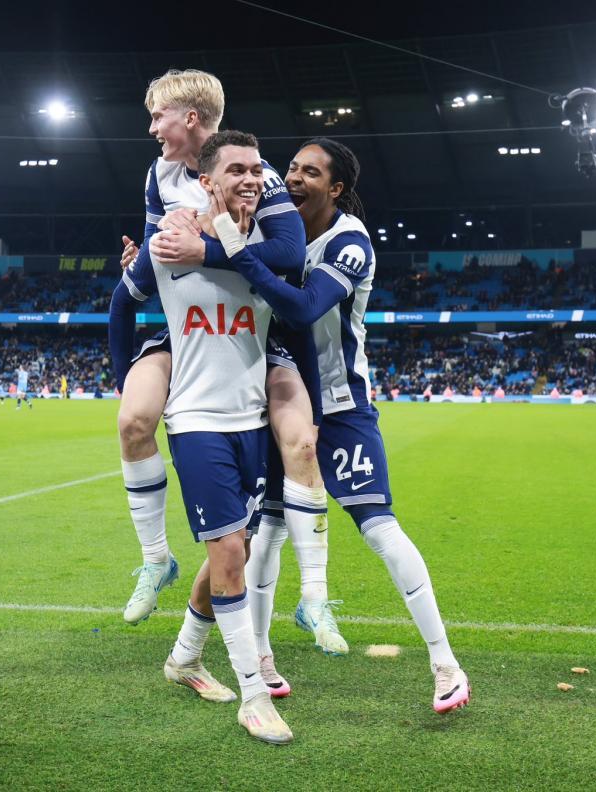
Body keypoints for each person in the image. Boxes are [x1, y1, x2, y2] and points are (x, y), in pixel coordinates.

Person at [196, 137, 471, 714]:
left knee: (378, 527)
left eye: (310, 173)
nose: (292, 179)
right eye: (291, 167)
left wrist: (225, 247)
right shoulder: (274, 232)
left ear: (336, 188)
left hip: (341, 404)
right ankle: (264, 660)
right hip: (281, 402)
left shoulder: (349, 240)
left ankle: (445, 662)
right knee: (264, 531)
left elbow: (301, 308)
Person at [113, 70, 343, 686]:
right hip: (189, 335)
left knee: (264, 499)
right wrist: (151, 260)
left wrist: (208, 251)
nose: (151, 127)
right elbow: (159, 256)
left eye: (157, 116)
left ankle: (300, 607)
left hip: (258, 336)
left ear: (189, 118)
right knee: (133, 418)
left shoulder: (257, 174)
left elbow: (289, 258)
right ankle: (155, 562)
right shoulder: (156, 176)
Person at [111, 130, 292, 744]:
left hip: (254, 422)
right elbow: (124, 297)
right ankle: (253, 697)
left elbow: (289, 282)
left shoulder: (268, 244)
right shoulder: (168, 239)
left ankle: (185, 657)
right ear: (206, 179)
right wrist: (125, 377)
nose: (251, 177)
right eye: (236, 169)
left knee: (232, 552)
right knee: (228, 557)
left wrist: (226, 244)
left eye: (257, 169)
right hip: (196, 422)